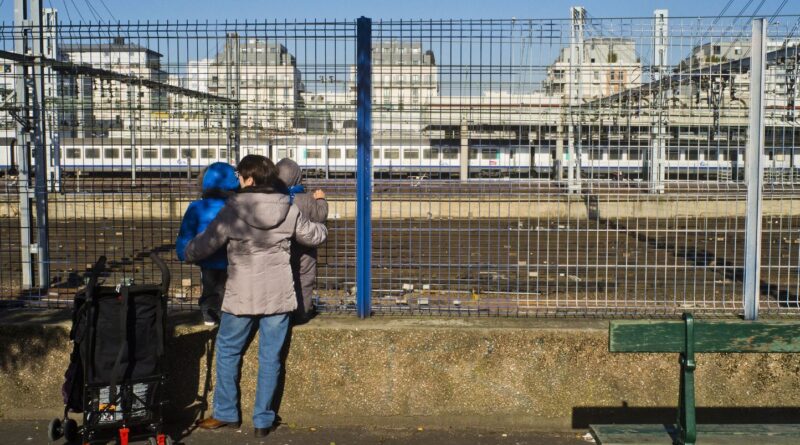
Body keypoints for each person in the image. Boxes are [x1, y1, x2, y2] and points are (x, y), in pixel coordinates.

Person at [184, 155, 327, 438]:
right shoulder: (288, 209)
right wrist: (323, 225)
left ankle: (226, 413)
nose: (237, 181)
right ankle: (263, 420)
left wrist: (187, 252)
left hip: (242, 296)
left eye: (240, 177)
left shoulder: (232, 211)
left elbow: (204, 245)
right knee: (271, 357)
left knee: (227, 351)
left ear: (249, 179)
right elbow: (314, 236)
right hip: (279, 295)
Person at [175, 162, 239, 326]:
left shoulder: (196, 207)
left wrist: (183, 252)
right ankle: (229, 317)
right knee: (230, 289)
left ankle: (209, 316)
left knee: (209, 287)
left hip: (207, 258)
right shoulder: (236, 207)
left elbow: (186, 233)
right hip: (233, 259)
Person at [276, 158, 328, 323]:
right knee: (304, 278)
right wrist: (321, 200)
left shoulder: (274, 198)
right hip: (305, 249)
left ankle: (282, 312)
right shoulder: (307, 199)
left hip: (281, 247)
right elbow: (320, 216)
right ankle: (302, 312)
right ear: (298, 177)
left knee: (282, 278)